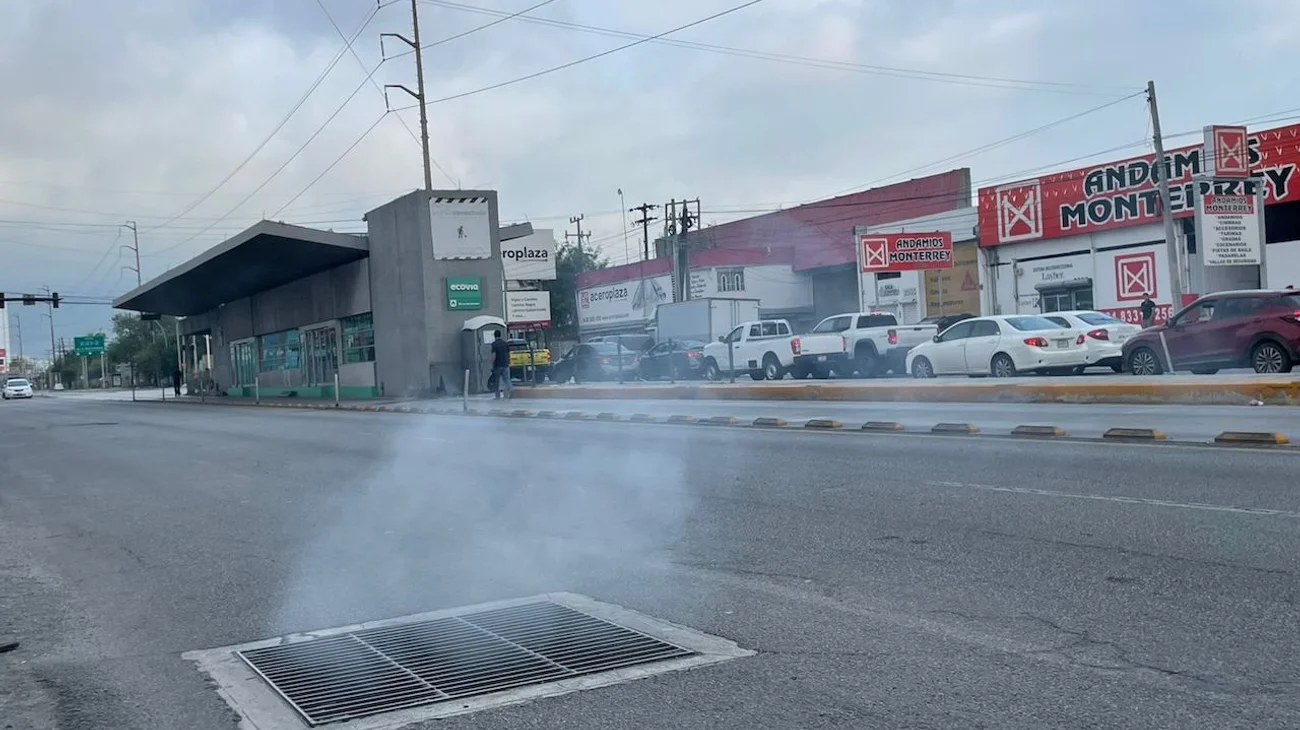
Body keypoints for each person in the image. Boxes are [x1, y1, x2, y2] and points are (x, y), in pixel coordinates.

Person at [490, 331, 512, 399]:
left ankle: (497, 395)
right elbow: (508, 353)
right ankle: (511, 391)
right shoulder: (505, 344)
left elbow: (494, 355)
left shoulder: (494, 344)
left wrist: (491, 363)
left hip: (497, 365)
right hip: (505, 364)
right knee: (506, 379)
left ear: (494, 336)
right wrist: (509, 362)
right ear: (500, 335)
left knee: (497, 380)